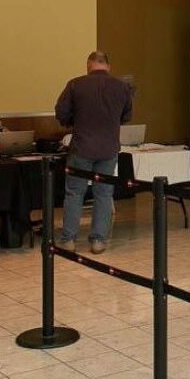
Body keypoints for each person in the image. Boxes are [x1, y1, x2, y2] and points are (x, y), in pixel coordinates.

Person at [55, 51, 132, 254]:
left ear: (88, 66)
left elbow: (61, 112)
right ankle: (98, 240)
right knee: (104, 194)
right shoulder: (121, 87)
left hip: (81, 148)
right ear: (108, 66)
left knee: (74, 193)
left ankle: (69, 240)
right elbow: (126, 115)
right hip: (108, 148)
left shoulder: (75, 84)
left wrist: (75, 121)